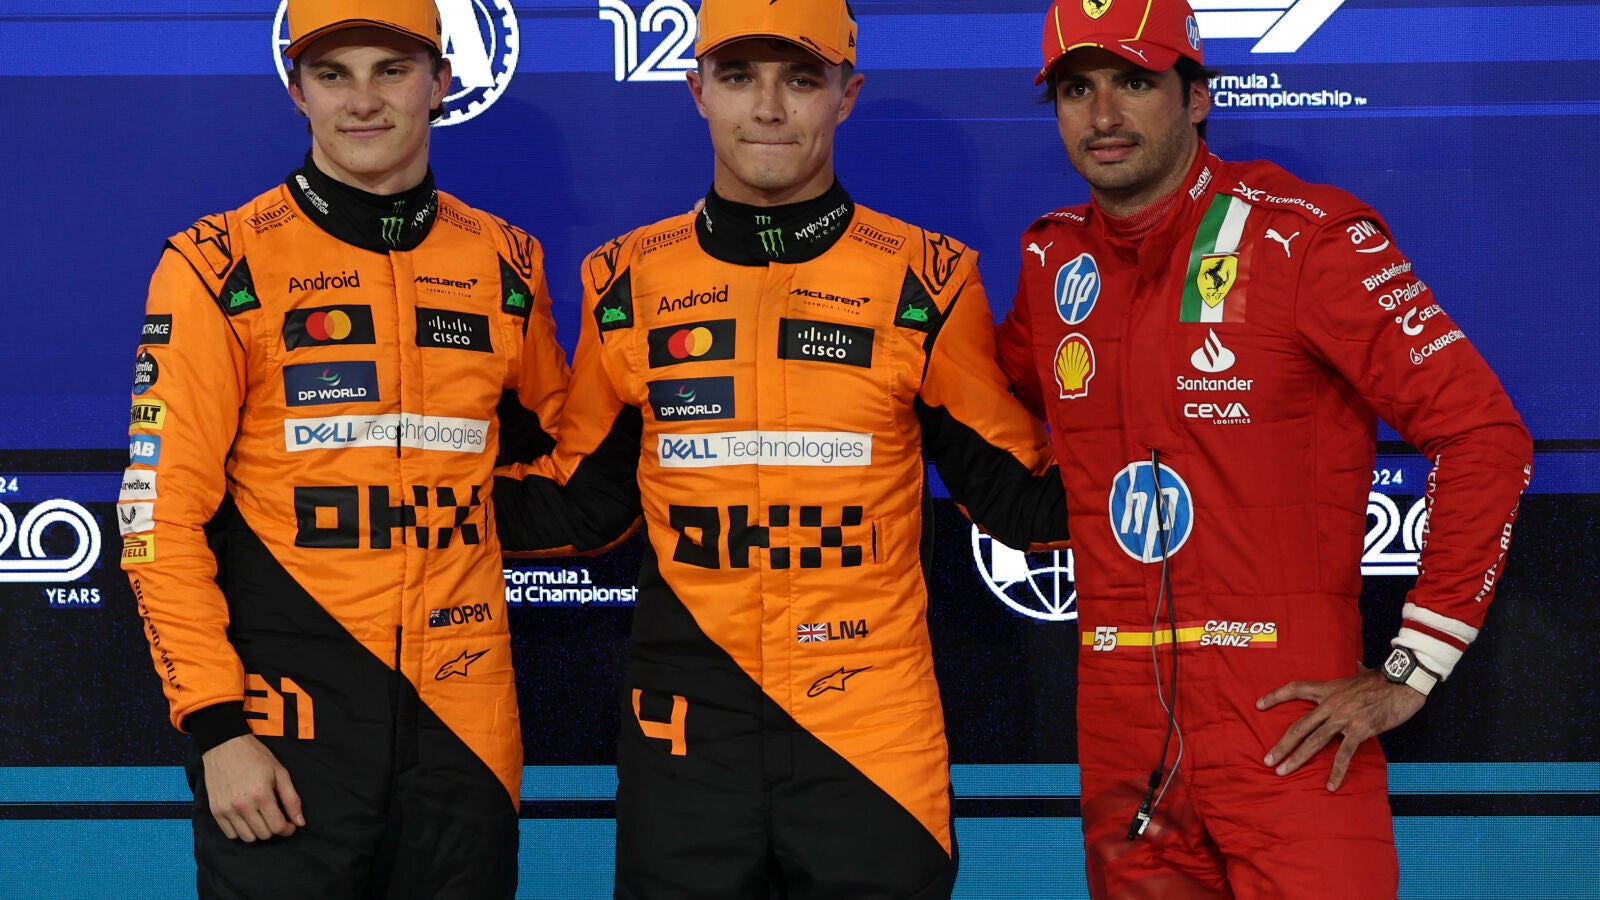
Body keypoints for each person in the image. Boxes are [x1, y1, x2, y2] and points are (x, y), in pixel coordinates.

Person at [493, 0, 1067, 895]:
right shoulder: (626, 279)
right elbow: (582, 503)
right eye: (738, 77)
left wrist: (1210, 459)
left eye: (801, 79)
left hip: (869, 730)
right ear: (698, 92)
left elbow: (1018, 497)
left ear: (847, 94)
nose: (768, 108)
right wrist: (351, 483)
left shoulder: (927, 276)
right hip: (687, 732)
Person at [996, 0, 1534, 896]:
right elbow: (975, 401)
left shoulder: (1306, 236)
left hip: (1288, 723)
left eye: (1134, 82)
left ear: (1197, 96)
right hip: (1124, 733)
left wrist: (1414, 665)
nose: (1103, 115)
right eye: (1076, 90)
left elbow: (1484, 433)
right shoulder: (1056, 262)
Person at [118, 0, 569, 895]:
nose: (363, 101)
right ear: (298, 92)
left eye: (391, 70)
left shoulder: (507, 263)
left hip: (466, 731)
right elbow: (158, 516)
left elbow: (570, 466)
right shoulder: (218, 263)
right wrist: (217, 728)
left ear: (441, 83)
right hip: (282, 737)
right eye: (333, 75)